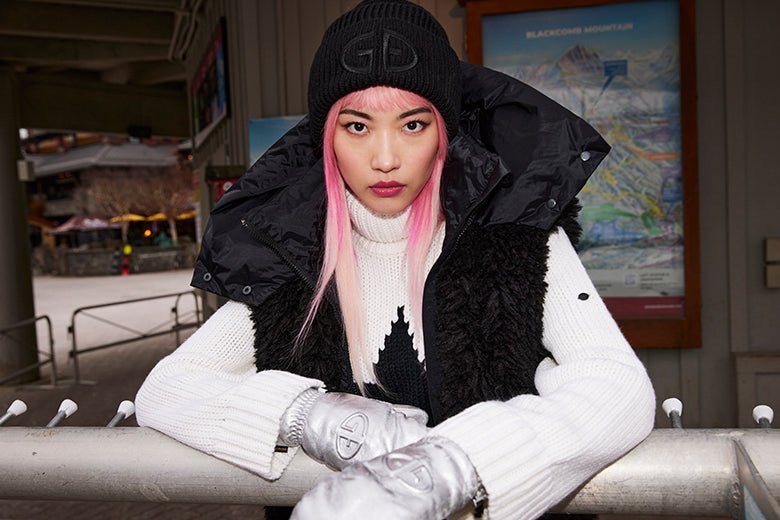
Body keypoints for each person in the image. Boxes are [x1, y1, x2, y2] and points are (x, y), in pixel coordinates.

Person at [135, 1, 655, 519]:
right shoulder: (288, 254)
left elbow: (617, 385)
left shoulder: (518, 236)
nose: (385, 159)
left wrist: (454, 467)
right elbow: (167, 388)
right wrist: (310, 417)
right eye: (357, 127)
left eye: (413, 125)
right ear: (326, 138)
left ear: (444, 132)